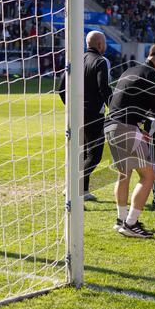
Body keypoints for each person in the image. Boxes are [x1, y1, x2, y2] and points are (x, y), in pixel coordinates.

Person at [104, 44, 155, 237]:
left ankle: (121, 219)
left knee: (123, 175)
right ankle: (131, 223)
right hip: (127, 128)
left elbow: (122, 100)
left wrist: (139, 126)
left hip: (111, 124)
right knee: (148, 176)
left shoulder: (130, 69)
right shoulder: (153, 76)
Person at [58, 30, 112, 203]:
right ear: (100, 45)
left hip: (75, 115)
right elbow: (104, 88)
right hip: (94, 116)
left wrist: (73, 107)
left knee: (81, 153)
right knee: (94, 155)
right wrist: (115, 107)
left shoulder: (74, 60)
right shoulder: (100, 61)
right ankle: (73, 186)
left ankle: (84, 189)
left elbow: (61, 89)